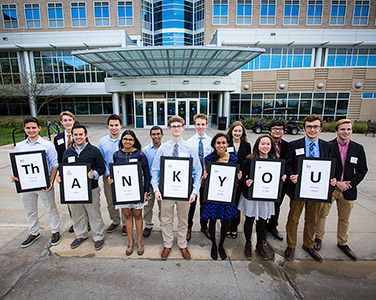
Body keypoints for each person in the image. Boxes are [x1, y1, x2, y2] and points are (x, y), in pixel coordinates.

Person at [284, 114, 336, 262]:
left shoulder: (327, 146)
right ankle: (291, 245)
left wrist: (332, 178)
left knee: (312, 219)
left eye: (315, 127)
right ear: (304, 127)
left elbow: (332, 166)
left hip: (317, 190)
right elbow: (287, 164)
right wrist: (291, 174)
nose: (312, 130)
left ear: (320, 128)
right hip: (298, 190)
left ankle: (308, 244)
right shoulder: (294, 145)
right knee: (293, 218)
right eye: (309, 127)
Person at [314, 119, 368, 260]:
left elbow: (362, 170)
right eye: (343, 129)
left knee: (344, 219)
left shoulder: (358, 148)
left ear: (352, 130)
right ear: (336, 130)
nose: (346, 132)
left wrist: (349, 184)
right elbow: (323, 166)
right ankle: (318, 238)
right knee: (321, 215)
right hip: (330, 187)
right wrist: (336, 181)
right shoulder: (328, 146)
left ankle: (342, 242)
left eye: (348, 129)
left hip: (348, 189)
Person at [151, 116, 202, 260]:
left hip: (184, 192)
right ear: (169, 128)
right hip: (166, 191)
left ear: (184, 127)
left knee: (183, 220)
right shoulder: (163, 148)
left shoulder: (190, 148)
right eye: (173, 126)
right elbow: (155, 170)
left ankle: (182, 244)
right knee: (166, 219)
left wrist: (194, 191)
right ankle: (167, 244)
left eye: (179, 126)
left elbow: (198, 171)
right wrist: (156, 188)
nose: (176, 128)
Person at [12, 117, 60, 248]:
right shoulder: (20, 146)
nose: (31, 130)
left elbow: (54, 164)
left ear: (39, 128)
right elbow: (18, 164)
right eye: (28, 128)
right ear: (24, 129)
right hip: (26, 185)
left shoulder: (48, 145)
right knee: (30, 210)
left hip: (44, 183)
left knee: (50, 208)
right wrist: (15, 176)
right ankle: (33, 232)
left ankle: (55, 231)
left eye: (34, 127)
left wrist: (51, 180)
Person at [238, 135, 286, 260]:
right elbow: (241, 176)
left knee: (262, 221)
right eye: (263, 144)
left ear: (271, 146)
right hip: (252, 196)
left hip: (266, 196)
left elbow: (277, 177)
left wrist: (282, 178)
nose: (265, 146)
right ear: (257, 145)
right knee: (249, 219)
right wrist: (246, 180)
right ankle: (248, 243)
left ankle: (259, 245)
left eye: (268, 144)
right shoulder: (249, 159)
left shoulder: (275, 160)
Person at [61, 125, 106, 251]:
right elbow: (64, 169)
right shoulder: (68, 152)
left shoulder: (94, 151)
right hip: (74, 191)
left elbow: (101, 168)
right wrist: (61, 177)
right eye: (75, 135)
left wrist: (94, 174)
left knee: (94, 213)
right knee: (77, 214)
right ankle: (81, 234)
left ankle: (98, 236)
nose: (78, 137)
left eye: (81, 134)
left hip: (91, 189)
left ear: (86, 135)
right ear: (72, 136)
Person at [111, 130, 150, 256]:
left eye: (130, 139)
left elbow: (147, 174)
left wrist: (145, 191)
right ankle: (130, 242)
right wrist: (111, 178)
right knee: (127, 215)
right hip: (123, 192)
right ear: (121, 140)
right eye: (125, 139)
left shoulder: (140, 154)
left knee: (138, 215)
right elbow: (116, 173)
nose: (128, 142)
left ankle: (139, 242)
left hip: (137, 191)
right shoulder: (117, 155)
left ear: (134, 141)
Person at [201, 133, 240, 260]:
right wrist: (205, 176)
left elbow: (234, 178)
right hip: (213, 195)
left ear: (227, 144)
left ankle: (221, 245)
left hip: (227, 196)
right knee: (212, 221)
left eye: (223, 143)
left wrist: (239, 176)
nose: (221, 145)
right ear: (214, 145)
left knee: (225, 222)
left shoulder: (233, 159)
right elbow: (207, 177)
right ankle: (213, 244)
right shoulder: (208, 159)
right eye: (218, 143)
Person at [53, 111, 81, 233]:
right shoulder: (58, 139)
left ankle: (86, 222)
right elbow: (57, 158)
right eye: (65, 120)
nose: (68, 123)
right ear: (61, 122)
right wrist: (59, 173)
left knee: (82, 197)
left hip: (79, 171)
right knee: (70, 199)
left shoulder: (80, 135)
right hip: (65, 173)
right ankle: (75, 222)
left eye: (70, 120)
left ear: (73, 121)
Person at [98, 114, 126, 235]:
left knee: (125, 199)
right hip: (108, 176)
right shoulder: (102, 142)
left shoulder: (126, 139)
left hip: (124, 176)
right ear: (108, 126)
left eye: (116, 125)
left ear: (120, 126)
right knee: (110, 200)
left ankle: (126, 223)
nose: (114, 128)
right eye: (111, 125)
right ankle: (115, 220)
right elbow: (101, 160)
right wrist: (109, 174)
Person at [186, 113, 212, 241]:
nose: (200, 127)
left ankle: (204, 226)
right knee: (191, 204)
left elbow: (213, 161)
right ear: (195, 125)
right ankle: (188, 227)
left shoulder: (211, 142)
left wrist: (207, 173)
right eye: (198, 124)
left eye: (203, 124)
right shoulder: (189, 142)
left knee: (205, 204)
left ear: (206, 125)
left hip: (207, 178)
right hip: (193, 178)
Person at [226, 120, 252, 239]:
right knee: (228, 203)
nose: (237, 133)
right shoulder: (226, 143)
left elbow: (248, 162)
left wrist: (242, 172)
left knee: (236, 204)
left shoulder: (246, 145)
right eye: (235, 130)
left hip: (240, 179)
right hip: (227, 178)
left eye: (239, 131)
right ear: (231, 131)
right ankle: (226, 226)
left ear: (243, 132)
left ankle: (234, 227)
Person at [265, 120, 289, 241]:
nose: (277, 131)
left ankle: (273, 226)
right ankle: (263, 227)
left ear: (283, 132)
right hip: (265, 180)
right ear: (270, 131)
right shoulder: (264, 143)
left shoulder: (287, 146)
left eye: (280, 129)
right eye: (274, 129)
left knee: (277, 205)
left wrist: (285, 173)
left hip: (281, 181)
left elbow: (289, 162)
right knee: (265, 204)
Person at [142, 126, 164, 238]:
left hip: (162, 185)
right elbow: (143, 168)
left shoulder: (166, 149)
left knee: (163, 207)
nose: (156, 136)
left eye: (158, 134)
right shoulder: (145, 150)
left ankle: (164, 225)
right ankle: (148, 225)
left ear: (162, 135)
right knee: (148, 206)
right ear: (150, 136)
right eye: (154, 134)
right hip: (149, 184)